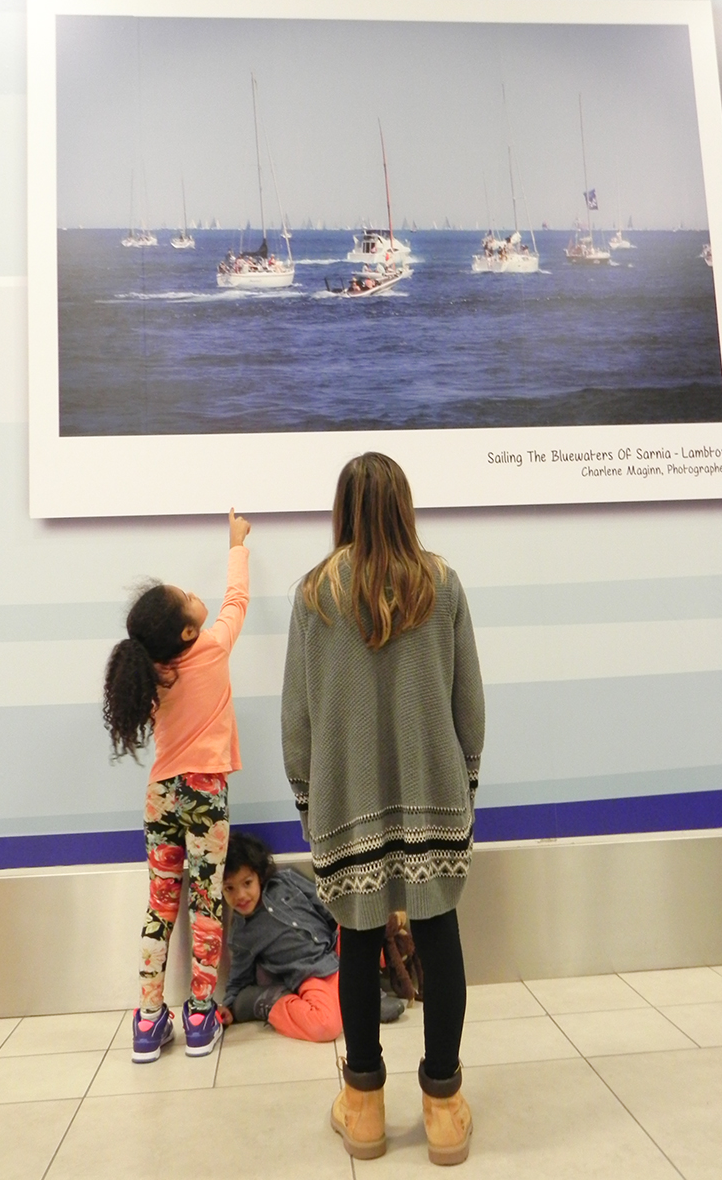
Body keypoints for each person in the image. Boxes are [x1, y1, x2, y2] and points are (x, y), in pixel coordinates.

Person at [281, 453, 485, 1166]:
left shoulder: (315, 593)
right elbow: (469, 702)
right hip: (434, 795)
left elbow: (297, 717)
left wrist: (309, 801)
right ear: (404, 503)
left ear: (342, 508)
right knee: (439, 936)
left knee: (358, 943)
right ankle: (443, 1107)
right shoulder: (442, 584)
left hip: (347, 803)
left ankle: (364, 1106)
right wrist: (465, 785)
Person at [103, 509, 250, 1063]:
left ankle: (147, 1022)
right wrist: (237, 544)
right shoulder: (211, 649)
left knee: (160, 906)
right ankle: (199, 1015)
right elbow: (236, 600)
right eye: (187, 596)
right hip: (204, 794)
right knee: (207, 902)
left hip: (160, 794)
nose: (194, 593)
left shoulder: (154, 675)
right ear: (189, 632)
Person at [218, 831, 404, 1041]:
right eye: (229, 888)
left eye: (247, 883)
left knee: (361, 929)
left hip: (334, 948)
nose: (241, 895)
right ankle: (275, 1000)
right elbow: (238, 977)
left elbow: (327, 906)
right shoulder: (242, 935)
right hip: (310, 973)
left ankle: (366, 992)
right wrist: (230, 1004)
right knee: (325, 1027)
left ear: (259, 876)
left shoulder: (286, 880)